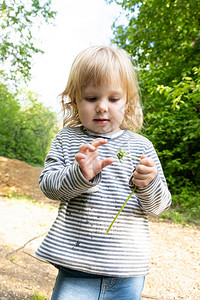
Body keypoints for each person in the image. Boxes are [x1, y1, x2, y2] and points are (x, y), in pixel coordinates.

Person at [35, 45, 171, 300]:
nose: (102, 107)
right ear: (74, 100)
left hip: (127, 274)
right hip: (76, 270)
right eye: (91, 98)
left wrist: (148, 184)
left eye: (113, 98)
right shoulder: (67, 139)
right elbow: (48, 186)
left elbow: (159, 206)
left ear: (127, 102)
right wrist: (80, 174)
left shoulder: (142, 147)